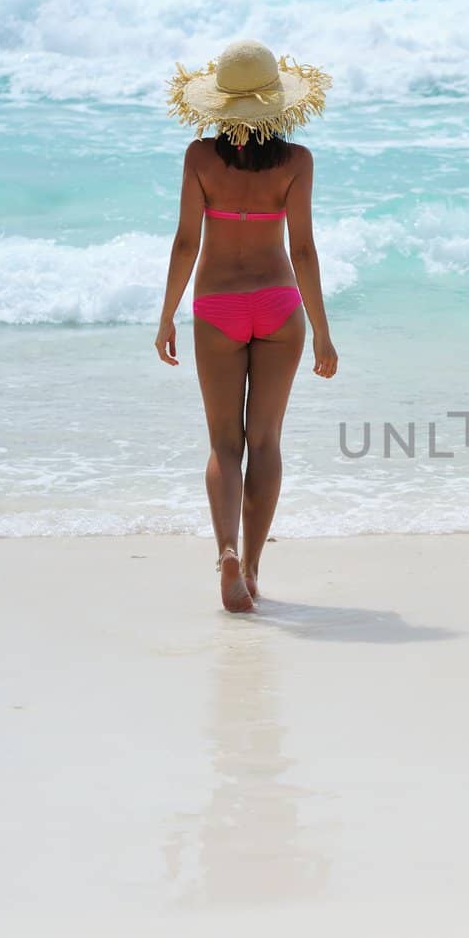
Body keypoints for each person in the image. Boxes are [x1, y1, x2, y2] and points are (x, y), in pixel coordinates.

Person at [154, 39, 339, 612]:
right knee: (265, 441)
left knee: (224, 444)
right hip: (280, 309)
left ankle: (227, 551)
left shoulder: (200, 159)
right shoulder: (297, 162)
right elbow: (303, 251)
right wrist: (324, 333)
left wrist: (166, 315)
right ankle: (254, 567)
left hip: (217, 309)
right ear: (278, 107)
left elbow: (187, 242)